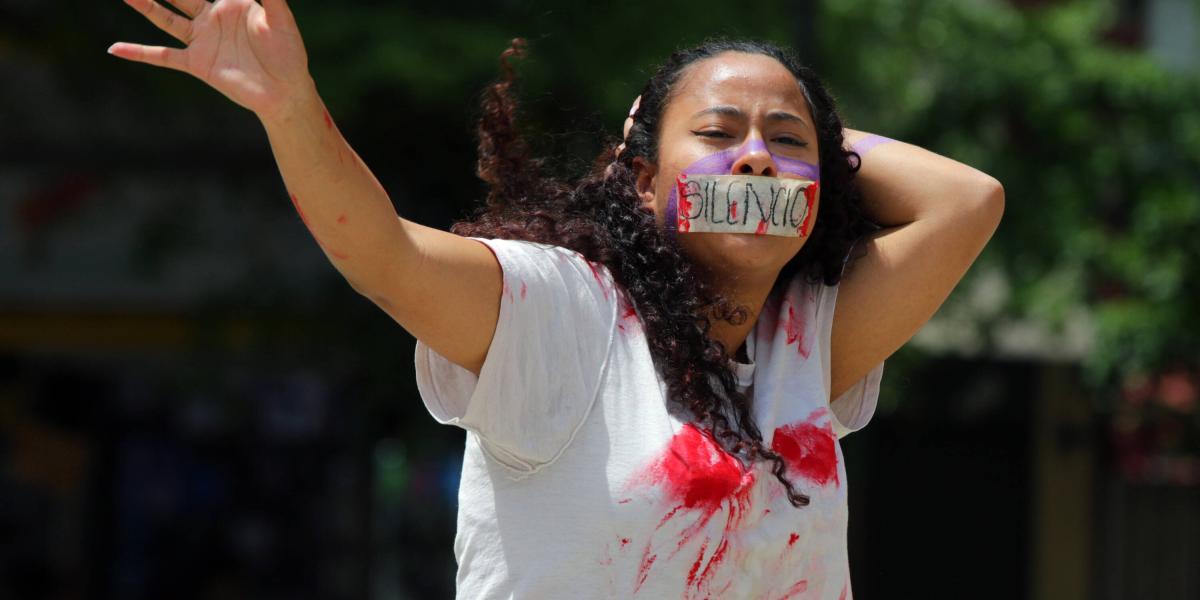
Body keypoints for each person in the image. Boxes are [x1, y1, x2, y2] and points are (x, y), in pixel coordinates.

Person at [109, 2, 1004, 598]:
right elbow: (383, 253)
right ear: (642, 176)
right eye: (718, 134)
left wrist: (801, 124)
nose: (758, 159)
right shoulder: (562, 311)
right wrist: (289, 106)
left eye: (786, 143)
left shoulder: (811, 341)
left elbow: (969, 201)